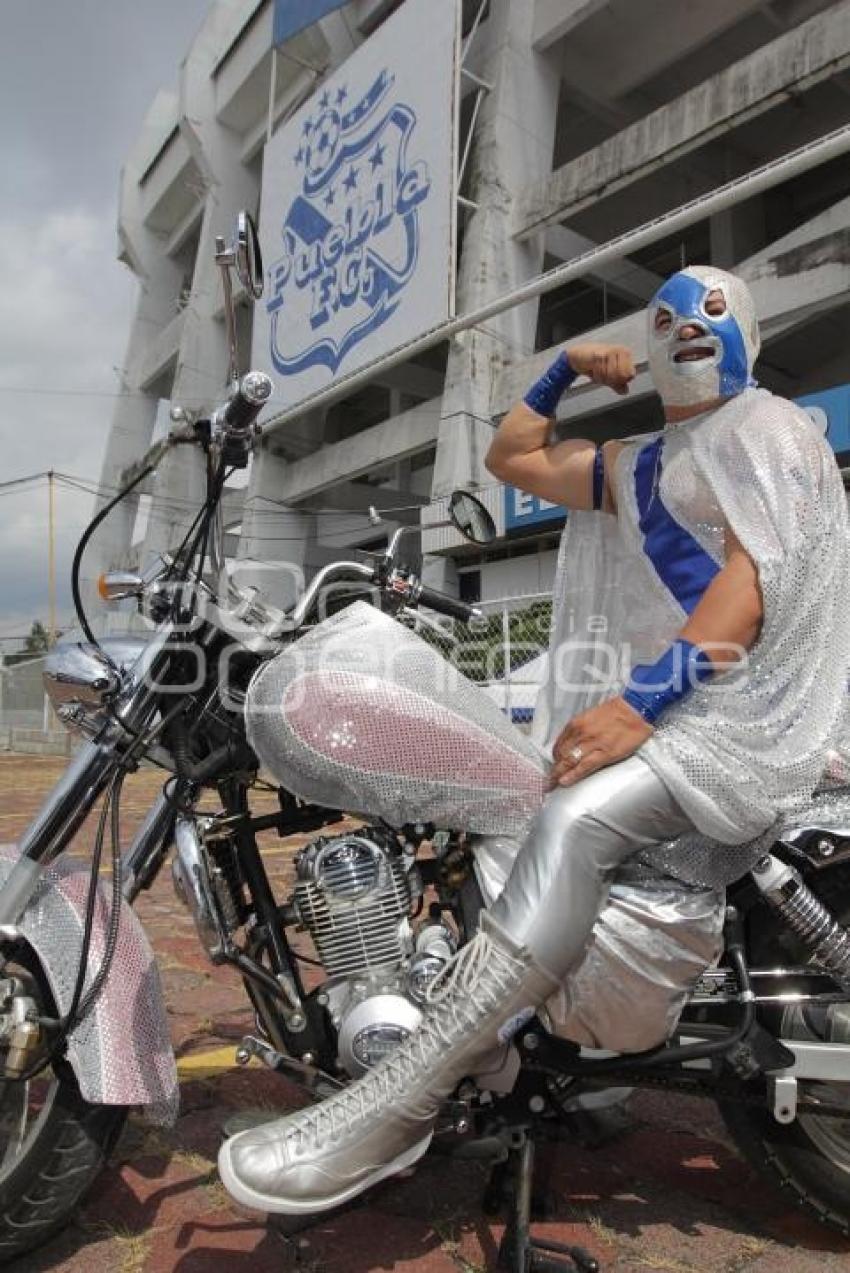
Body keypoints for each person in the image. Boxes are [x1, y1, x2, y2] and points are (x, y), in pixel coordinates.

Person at [218, 265, 850, 1216]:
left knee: (575, 824)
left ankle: (401, 1103)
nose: (687, 327)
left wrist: (641, 703)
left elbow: (751, 586)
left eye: (712, 311)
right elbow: (513, 460)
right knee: (517, 796)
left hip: (733, 717)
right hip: (674, 715)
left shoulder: (768, 427)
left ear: (747, 331)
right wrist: (556, 374)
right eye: (669, 315)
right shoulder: (637, 461)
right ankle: (550, 1048)